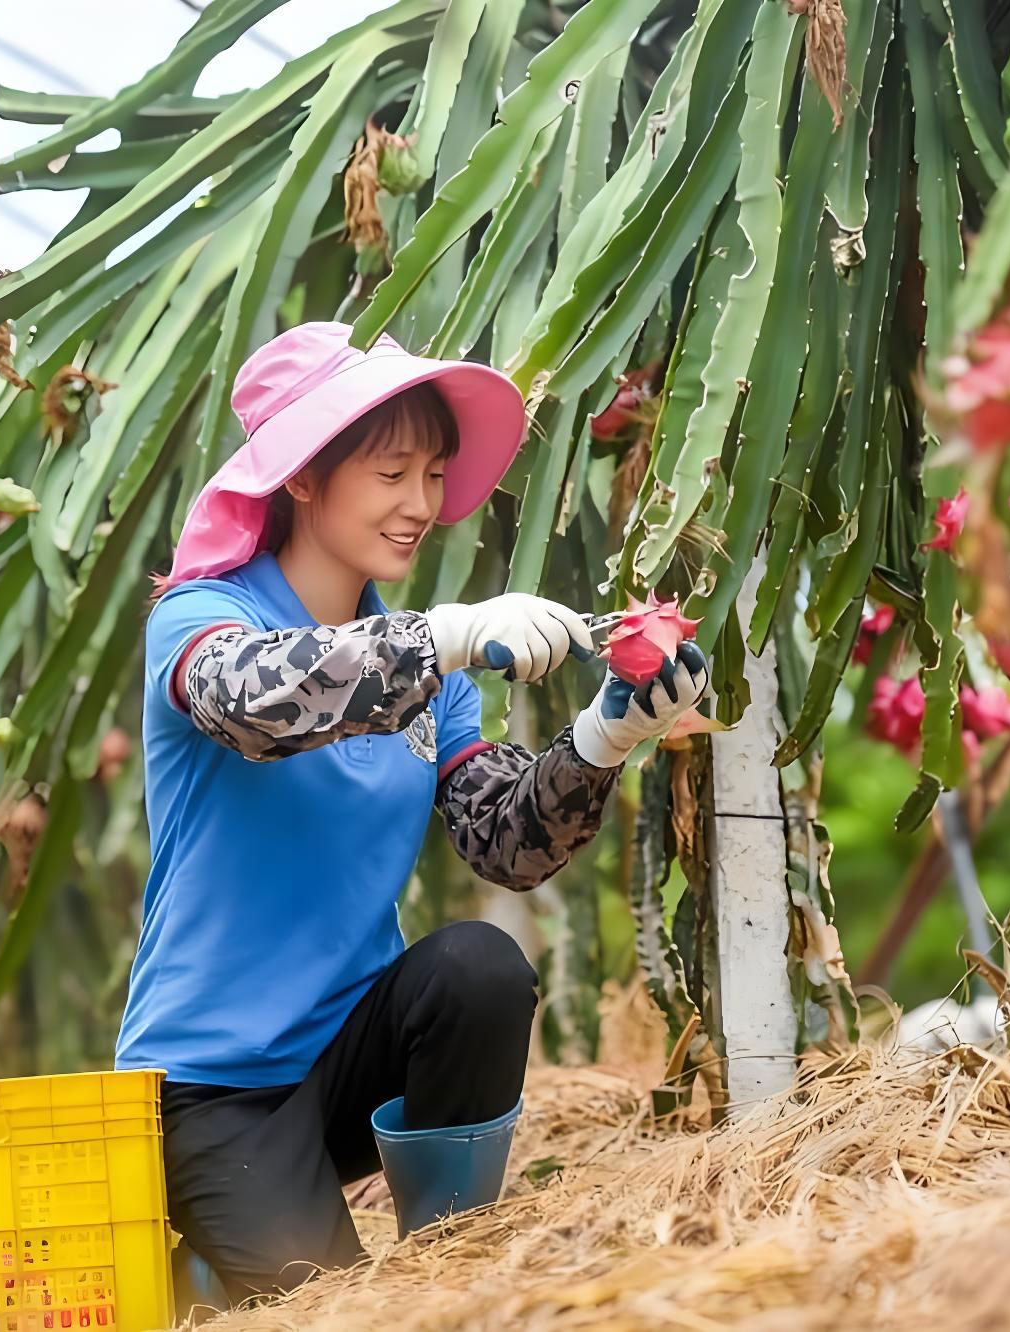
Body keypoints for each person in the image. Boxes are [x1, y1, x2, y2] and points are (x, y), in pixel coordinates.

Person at [119, 322, 710, 1301]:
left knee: (475, 968)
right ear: (303, 476)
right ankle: (214, 1267)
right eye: (391, 472)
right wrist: (440, 635)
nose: (421, 505)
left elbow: (505, 841)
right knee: (327, 1304)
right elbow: (250, 703)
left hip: (351, 1054)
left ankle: (455, 1263)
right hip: (215, 1091)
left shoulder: (429, 680)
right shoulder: (205, 618)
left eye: (432, 475)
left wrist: (604, 739)